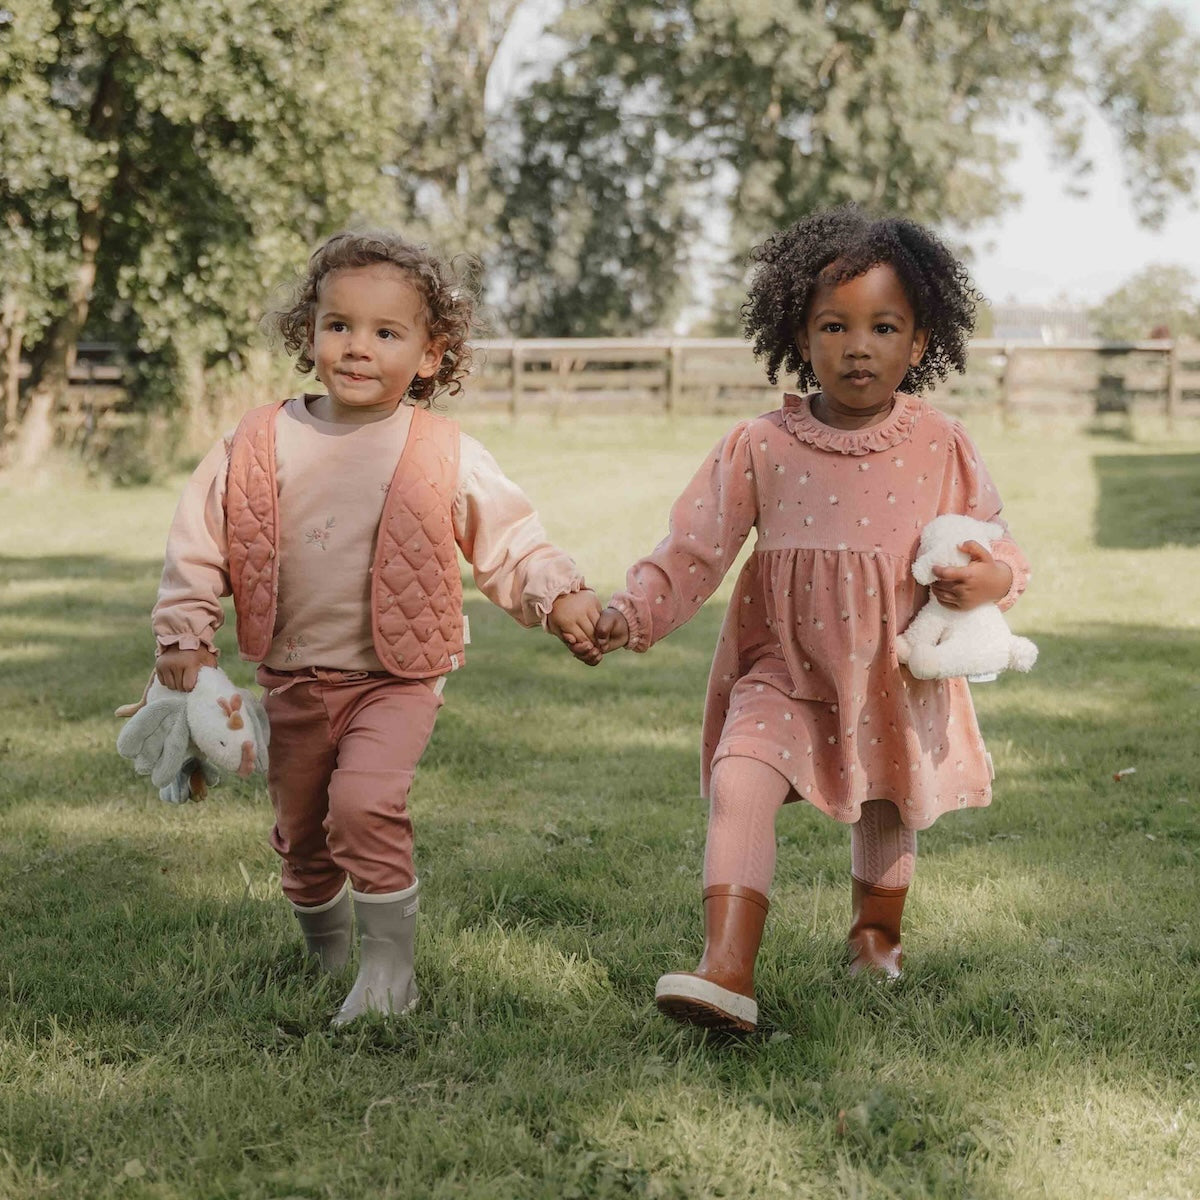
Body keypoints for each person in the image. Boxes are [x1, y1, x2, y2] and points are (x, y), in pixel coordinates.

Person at [593, 206, 1031, 1033]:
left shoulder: (941, 443)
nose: (856, 346)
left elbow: (996, 546)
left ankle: (876, 938)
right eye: (833, 325)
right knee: (738, 780)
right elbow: (693, 550)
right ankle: (726, 966)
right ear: (799, 335)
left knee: (888, 802)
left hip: (889, 673)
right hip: (781, 669)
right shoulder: (759, 444)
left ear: (920, 340)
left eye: (882, 326)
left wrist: (994, 578)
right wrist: (630, 616)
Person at [149, 231, 601, 1025]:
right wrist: (186, 630)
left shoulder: (441, 451)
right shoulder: (256, 441)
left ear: (431, 355)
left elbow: (510, 540)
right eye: (339, 325)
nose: (359, 348)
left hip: (397, 679)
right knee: (303, 838)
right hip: (292, 676)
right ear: (310, 331)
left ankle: (391, 974)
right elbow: (200, 541)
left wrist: (555, 594)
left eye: (387, 333)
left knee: (363, 804)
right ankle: (327, 958)